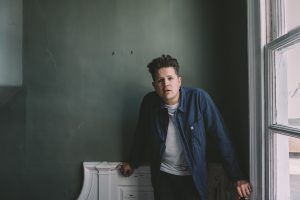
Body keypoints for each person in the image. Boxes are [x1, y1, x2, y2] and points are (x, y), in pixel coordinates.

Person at [119, 54, 252, 200]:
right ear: (154, 86)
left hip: (193, 177)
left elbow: (221, 137)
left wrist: (237, 176)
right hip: (163, 175)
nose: (166, 84)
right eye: (160, 80)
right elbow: (141, 134)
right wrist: (132, 162)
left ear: (179, 81)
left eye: (170, 78)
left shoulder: (199, 99)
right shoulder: (149, 102)